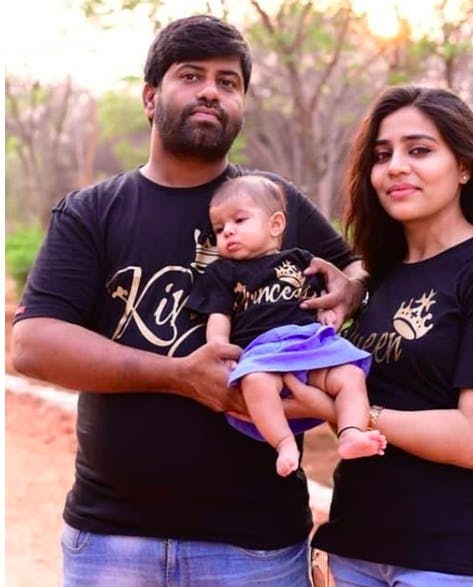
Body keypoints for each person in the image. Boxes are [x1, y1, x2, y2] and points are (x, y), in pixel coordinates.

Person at [10, 15, 369, 587]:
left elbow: (358, 266)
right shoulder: (93, 212)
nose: (211, 91)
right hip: (112, 539)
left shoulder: (276, 204)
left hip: (255, 544)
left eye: (228, 82)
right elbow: (33, 345)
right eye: (191, 75)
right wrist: (180, 376)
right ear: (150, 97)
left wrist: (352, 285)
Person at [286, 85, 473, 586]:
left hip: (451, 560)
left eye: (419, 150)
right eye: (382, 155)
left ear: (464, 166)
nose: (396, 167)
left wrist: (350, 414)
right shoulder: (378, 277)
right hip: (356, 549)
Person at [187, 174, 387, 477]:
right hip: (263, 353)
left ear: (276, 224)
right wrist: (219, 347)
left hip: (310, 346)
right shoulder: (223, 272)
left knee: (350, 375)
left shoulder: (302, 260)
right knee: (255, 383)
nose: (227, 231)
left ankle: (350, 433)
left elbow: (323, 296)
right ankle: (283, 443)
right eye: (219, 228)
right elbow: (219, 316)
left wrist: (327, 314)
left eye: (239, 220)